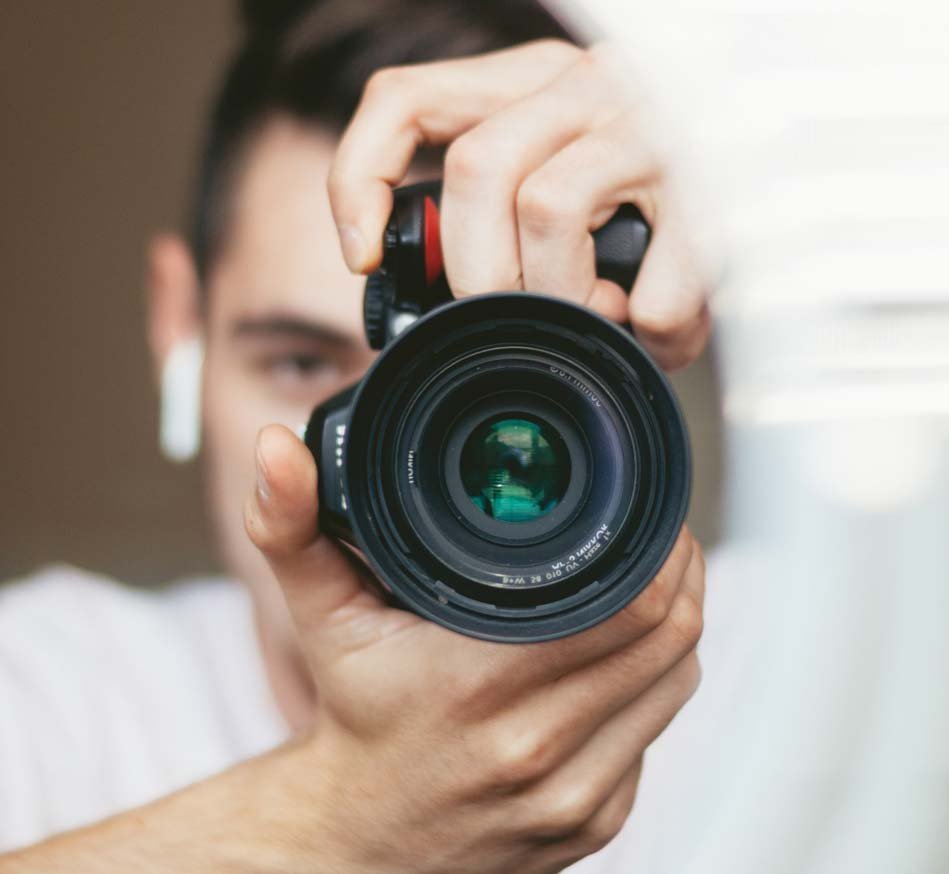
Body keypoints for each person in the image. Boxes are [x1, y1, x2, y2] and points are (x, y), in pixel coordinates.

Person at [0, 2, 712, 871]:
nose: (378, 451)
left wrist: (772, 167)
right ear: (177, 327)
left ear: (625, 364)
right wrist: (333, 822)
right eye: (300, 362)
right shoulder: (48, 696)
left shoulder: (812, 655)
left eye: (492, 384)